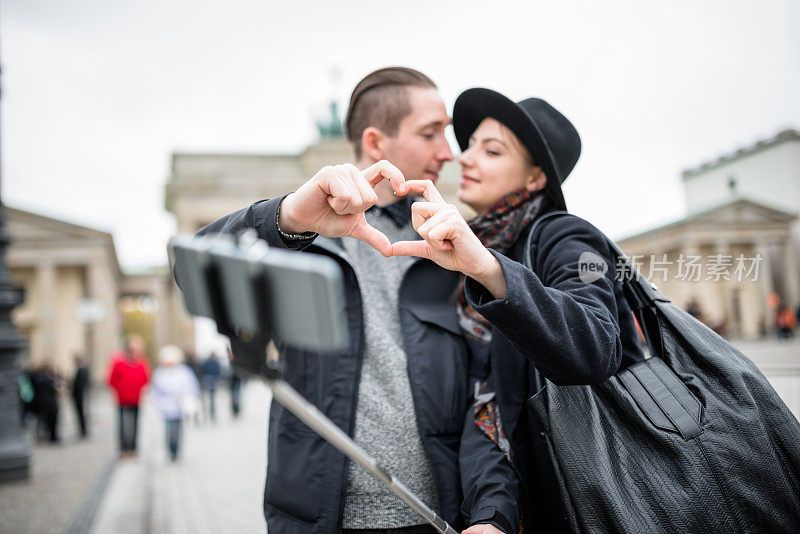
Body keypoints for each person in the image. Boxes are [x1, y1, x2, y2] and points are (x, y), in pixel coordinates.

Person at [187, 67, 504, 533]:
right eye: (431, 133)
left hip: (436, 518)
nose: (449, 152)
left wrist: (492, 511)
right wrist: (288, 216)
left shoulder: (456, 248)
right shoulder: (297, 234)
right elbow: (195, 271)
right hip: (317, 520)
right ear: (376, 143)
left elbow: (489, 396)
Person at [389, 88, 646, 532]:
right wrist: (492, 515)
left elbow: (597, 344)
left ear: (534, 180)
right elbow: (488, 404)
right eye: (469, 146)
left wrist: (489, 269)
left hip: (606, 503)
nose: (464, 159)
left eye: (491, 151)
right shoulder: (477, 249)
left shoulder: (569, 239)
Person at [151, 345, 200, 462]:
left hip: (180, 406)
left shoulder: (184, 372)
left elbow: (192, 387)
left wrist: (189, 399)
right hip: (166, 407)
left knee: (178, 430)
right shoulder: (159, 373)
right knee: (169, 430)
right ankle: (171, 450)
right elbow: (155, 391)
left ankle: (177, 451)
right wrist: (158, 404)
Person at [107, 334, 151, 458]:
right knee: (123, 425)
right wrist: (119, 390)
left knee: (135, 425)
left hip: (136, 399)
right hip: (122, 399)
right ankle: (123, 448)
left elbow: (145, 379)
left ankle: (133, 448)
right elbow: (111, 380)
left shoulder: (141, 363)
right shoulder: (119, 363)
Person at [71, 354, 90, 438]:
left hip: (79, 395)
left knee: (80, 413)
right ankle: (83, 430)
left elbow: (78, 384)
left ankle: (83, 430)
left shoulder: (81, 371)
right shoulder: (84, 370)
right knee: (81, 413)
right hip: (80, 394)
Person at [200, 353, 222, 422]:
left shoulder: (215, 363)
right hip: (209, 380)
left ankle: (212, 413)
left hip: (213, 380)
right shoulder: (208, 363)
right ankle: (209, 413)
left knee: (212, 398)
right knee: (209, 398)